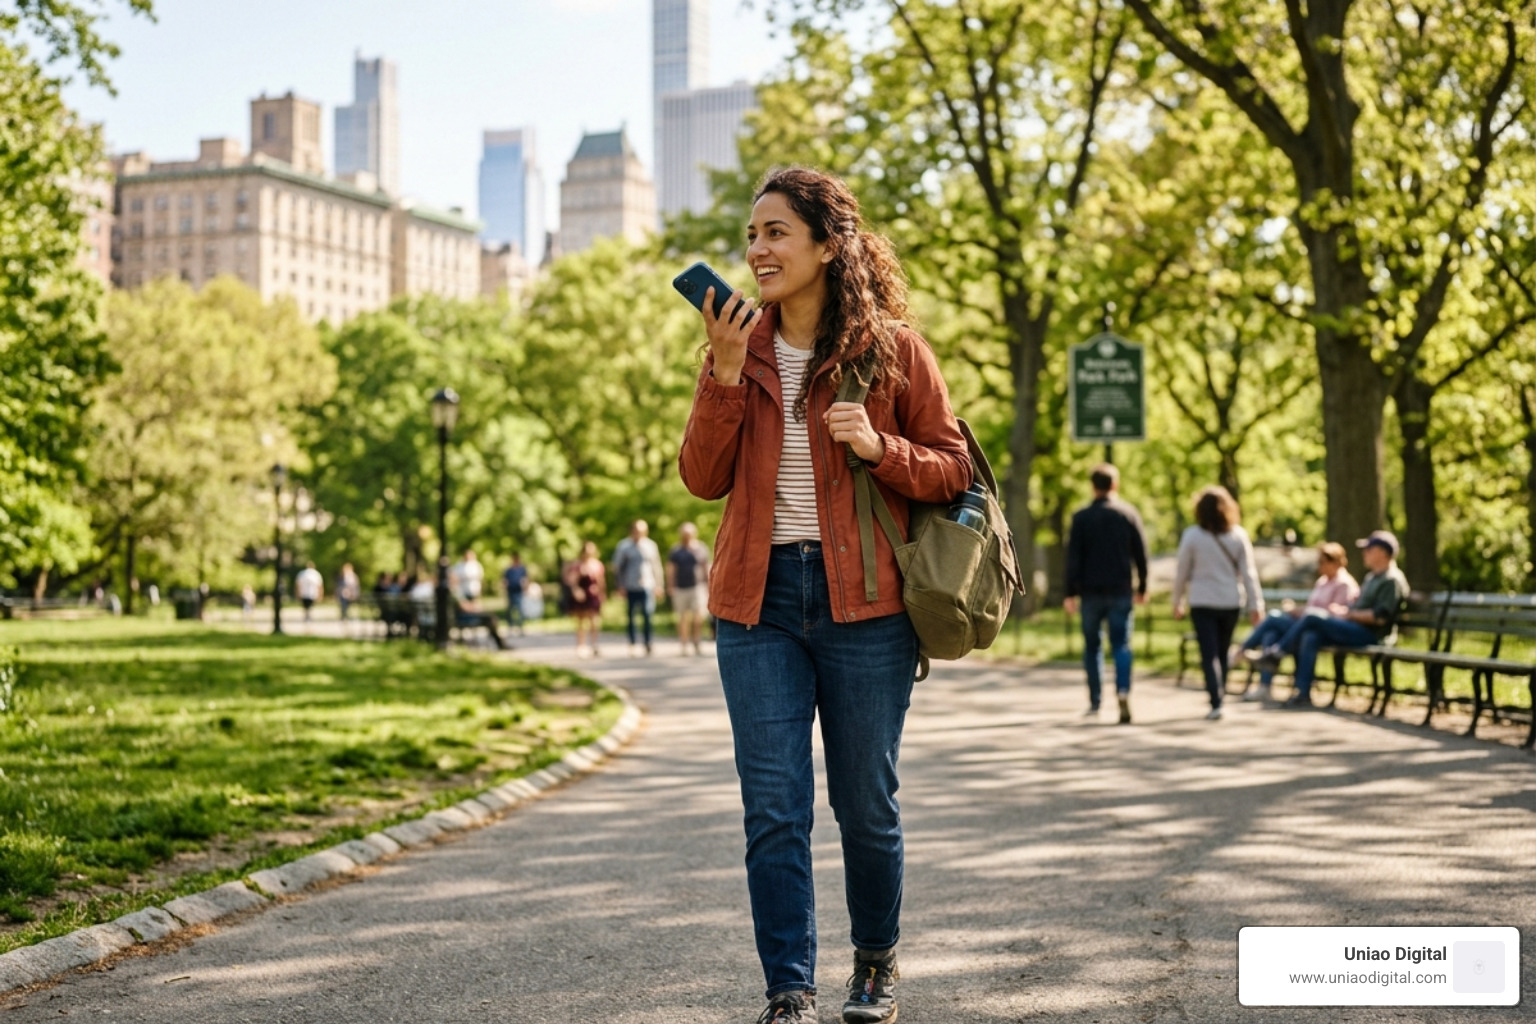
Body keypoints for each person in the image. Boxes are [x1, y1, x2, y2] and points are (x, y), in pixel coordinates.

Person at [678, 167, 972, 1024]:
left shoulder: (894, 350)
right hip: (757, 603)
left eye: (775, 233)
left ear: (827, 244)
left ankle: (874, 964)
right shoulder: (739, 349)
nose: (757, 252)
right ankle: (789, 991)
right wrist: (724, 374)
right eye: (751, 237)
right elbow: (702, 479)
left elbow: (953, 468)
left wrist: (882, 448)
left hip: (867, 607)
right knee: (774, 809)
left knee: (863, 805)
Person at [1252, 530, 1410, 708]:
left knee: (1313, 616)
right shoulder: (1372, 577)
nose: (1364, 553)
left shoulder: (1391, 580)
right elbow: (1358, 607)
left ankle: (1277, 652)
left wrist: (1348, 614)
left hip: (1370, 634)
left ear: (1382, 552)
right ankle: (1302, 693)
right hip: (1353, 626)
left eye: (1368, 549)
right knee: (1310, 636)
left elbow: (1380, 618)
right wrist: (1345, 611)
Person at [1062, 463, 1149, 724]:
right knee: (1121, 644)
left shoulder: (1081, 517)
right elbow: (1141, 554)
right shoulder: (1128, 514)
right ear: (1115, 485)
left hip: (1090, 593)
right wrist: (1143, 586)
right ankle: (1123, 690)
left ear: (1093, 486)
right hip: (1121, 591)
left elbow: (1072, 558)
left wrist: (1069, 593)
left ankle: (1095, 700)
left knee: (1092, 647)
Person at [1171, 486, 1264, 720]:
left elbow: (1182, 571)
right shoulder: (1238, 536)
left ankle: (1216, 699)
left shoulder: (1192, 536)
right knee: (1222, 651)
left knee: (1209, 652)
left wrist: (1177, 600)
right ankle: (1219, 695)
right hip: (1230, 600)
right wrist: (1256, 604)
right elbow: (1249, 573)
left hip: (1202, 600)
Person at [1237, 542, 1359, 701]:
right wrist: (1296, 610)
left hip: (1325, 631)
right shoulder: (1322, 581)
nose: (1319, 566)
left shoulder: (1344, 583)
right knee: (1271, 634)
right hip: (1306, 626)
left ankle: (1243, 650)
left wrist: (1303, 612)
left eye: (1322, 562)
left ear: (1335, 562)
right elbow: (1311, 609)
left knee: (1275, 617)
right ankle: (1265, 686)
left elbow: (1337, 615)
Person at [612, 520, 666, 656]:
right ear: (632, 531)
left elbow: (656, 566)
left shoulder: (650, 545)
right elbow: (617, 568)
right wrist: (619, 585)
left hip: (647, 585)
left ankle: (648, 643)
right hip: (630, 585)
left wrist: (659, 585)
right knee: (631, 616)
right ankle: (632, 643)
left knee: (647, 615)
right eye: (637, 530)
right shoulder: (623, 546)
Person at [667, 522, 711, 656]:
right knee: (682, 618)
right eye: (684, 534)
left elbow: (706, 567)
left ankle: (697, 642)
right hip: (680, 588)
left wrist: (709, 585)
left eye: (689, 534)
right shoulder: (676, 550)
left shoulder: (701, 548)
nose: (686, 536)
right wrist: (670, 586)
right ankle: (684, 644)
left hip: (697, 587)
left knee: (698, 617)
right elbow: (670, 570)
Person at [564, 542, 606, 658]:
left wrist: (602, 593)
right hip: (581, 595)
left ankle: (594, 644)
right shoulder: (577, 565)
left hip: (593, 595)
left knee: (594, 620)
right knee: (580, 621)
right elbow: (572, 581)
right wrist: (576, 591)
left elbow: (601, 581)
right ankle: (581, 645)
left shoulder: (597, 565)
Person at [502, 552, 529, 634]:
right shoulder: (508, 570)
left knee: (520, 610)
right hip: (510, 591)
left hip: (519, 592)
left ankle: (520, 627)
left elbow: (526, 579)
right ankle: (510, 626)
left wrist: (525, 588)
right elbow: (505, 580)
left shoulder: (522, 569)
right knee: (510, 610)